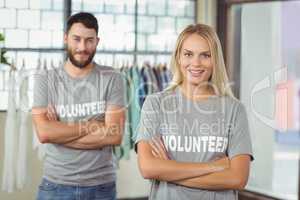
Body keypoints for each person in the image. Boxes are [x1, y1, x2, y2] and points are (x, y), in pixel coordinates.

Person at [135, 24, 254, 200]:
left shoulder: (234, 110)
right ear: (178, 58)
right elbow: (148, 168)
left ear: (215, 60)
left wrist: (168, 169)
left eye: (205, 55)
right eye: (188, 54)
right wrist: (213, 167)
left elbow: (237, 178)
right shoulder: (156, 104)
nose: (196, 63)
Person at [32, 12, 126, 200]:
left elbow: (114, 135)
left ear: (97, 41)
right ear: (66, 38)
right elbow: (44, 134)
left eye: (89, 40)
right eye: (76, 39)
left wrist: (59, 133)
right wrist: (95, 126)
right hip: (55, 185)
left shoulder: (113, 78)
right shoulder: (45, 79)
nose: (82, 47)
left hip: (101, 186)